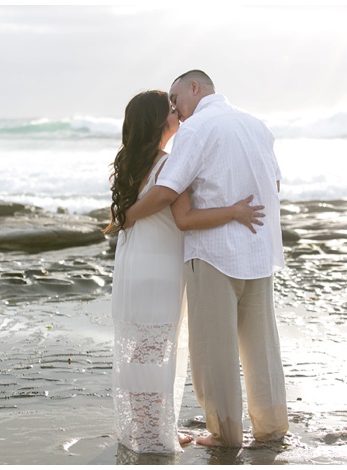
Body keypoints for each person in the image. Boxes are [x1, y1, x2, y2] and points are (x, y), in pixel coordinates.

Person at [125, 70, 289, 447]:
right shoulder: (256, 125)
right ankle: (271, 428)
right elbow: (274, 185)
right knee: (261, 348)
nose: (176, 111)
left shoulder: (196, 129)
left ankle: (224, 433)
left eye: (176, 99)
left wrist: (127, 215)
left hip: (213, 253)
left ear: (194, 88)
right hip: (258, 252)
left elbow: (167, 190)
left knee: (213, 353)